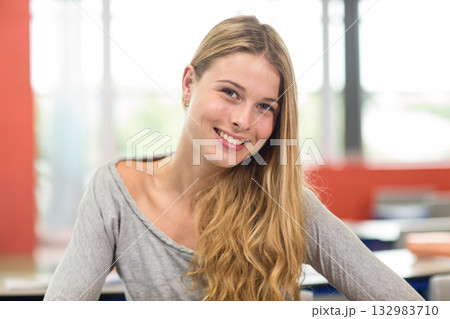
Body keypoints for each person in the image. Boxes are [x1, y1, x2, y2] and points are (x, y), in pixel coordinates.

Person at [44, 15, 423, 301]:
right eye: (229, 92)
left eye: (265, 106)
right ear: (189, 84)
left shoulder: (286, 203)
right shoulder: (114, 193)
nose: (243, 120)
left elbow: (404, 306)